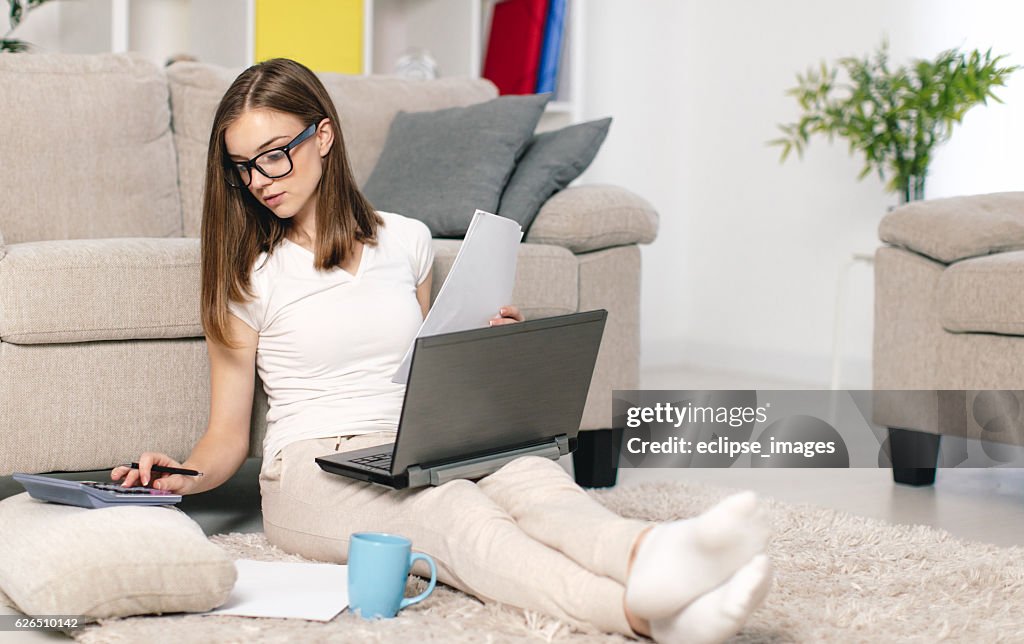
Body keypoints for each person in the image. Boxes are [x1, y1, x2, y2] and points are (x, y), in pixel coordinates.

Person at [111, 58, 772, 643]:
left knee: (534, 477)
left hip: (418, 441)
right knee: (456, 516)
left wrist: (482, 345)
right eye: (244, 167)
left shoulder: (406, 240)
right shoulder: (247, 275)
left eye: (274, 154)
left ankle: (650, 552)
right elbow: (227, 435)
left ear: (324, 136)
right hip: (312, 467)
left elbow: (430, 366)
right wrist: (182, 476)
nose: (260, 180)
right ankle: (640, 614)